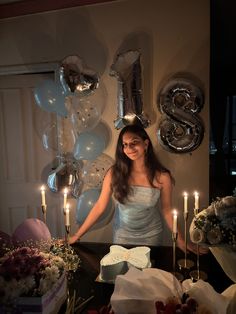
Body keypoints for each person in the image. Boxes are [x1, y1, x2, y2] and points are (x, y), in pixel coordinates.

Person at [69, 124, 204, 253]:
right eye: (125, 144)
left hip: (151, 235)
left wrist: (180, 240)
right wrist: (77, 235)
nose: (129, 148)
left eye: (134, 142)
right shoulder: (114, 173)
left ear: (146, 144)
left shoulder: (162, 177)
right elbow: (99, 206)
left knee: (147, 275)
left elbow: (167, 210)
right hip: (122, 235)